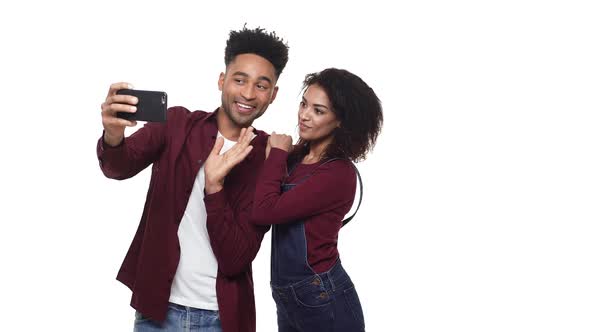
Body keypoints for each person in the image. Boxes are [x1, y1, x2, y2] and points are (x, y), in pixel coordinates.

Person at [96, 26, 289, 332]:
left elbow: (236, 258)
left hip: (223, 318)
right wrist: (114, 133)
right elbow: (117, 167)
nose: (249, 94)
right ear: (222, 80)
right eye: (239, 80)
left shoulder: (268, 158)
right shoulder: (177, 124)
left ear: (274, 94)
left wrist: (214, 188)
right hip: (157, 312)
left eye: (261, 85)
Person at [250, 68, 383, 331]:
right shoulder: (296, 157)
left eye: (318, 111)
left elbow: (264, 212)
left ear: (341, 121)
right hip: (287, 295)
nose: (304, 115)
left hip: (322, 297)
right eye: (304, 104)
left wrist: (276, 154)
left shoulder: (337, 173)